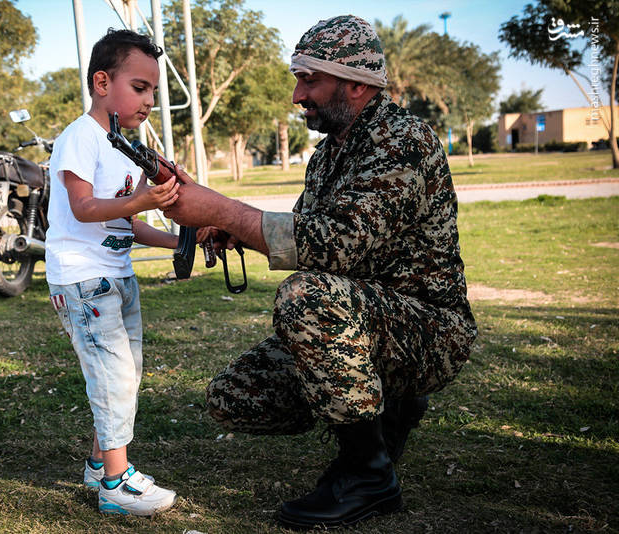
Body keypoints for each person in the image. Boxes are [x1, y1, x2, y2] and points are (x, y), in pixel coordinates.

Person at [163, 15, 477, 530]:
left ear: (355, 83)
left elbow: (330, 247)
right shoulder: (330, 153)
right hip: (368, 319)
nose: (296, 95)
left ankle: (369, 474)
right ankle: (386, 404)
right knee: (233, 398)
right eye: (298, 78)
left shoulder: (402, 141)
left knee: (305, 299)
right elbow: (306, 234)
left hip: (429, 329)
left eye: (309, 79)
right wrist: (233, 231)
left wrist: (220, 208)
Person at [45, 29, 180, 517]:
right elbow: (83, 208)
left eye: (153, 93)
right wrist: (142, 197)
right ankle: (116, 486)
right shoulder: (80, 137)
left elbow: (128, 221)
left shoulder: (122, 143)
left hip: (115, 274)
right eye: (140, 88)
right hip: (82, 279)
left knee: (125, 373)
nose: (148, 102)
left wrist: (181, 240)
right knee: (113, 376)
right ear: (102, 82)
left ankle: (100, 462)